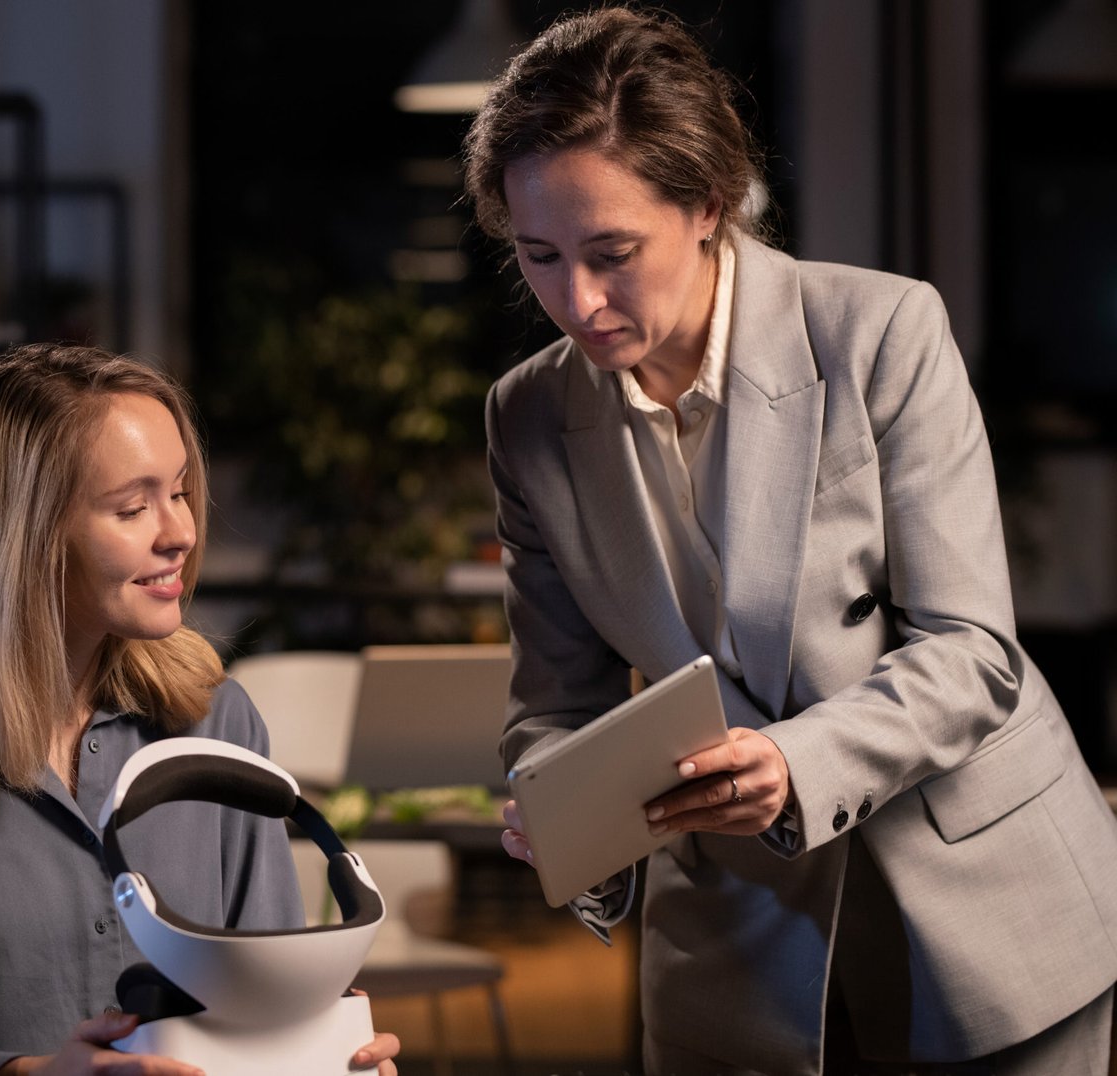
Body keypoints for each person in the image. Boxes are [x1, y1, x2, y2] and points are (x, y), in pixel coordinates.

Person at [465, 8, 1117, 1075]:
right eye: (539, 255)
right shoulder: (527, 416)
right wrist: (565, 814)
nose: (575, 300)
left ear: (708, 205)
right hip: (736, 942)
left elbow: (971, 652)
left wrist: (794, 762)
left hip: (985, 908)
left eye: (612, 253)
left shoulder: (879, 332)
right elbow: (555, 705)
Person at [0, 344, 399, 1076]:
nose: (181, 532)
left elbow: (267, 1014)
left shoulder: (221, 726)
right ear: (21, 536)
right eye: (133, 507)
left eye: (180, 493)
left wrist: (323, 1055)